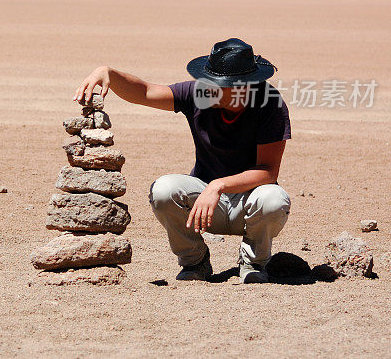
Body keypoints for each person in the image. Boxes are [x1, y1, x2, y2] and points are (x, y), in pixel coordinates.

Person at [73, 38, 291, 284]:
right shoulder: (199, 95)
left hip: (250, 204)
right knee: (165, 190)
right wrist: (108, 72)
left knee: (274, 199)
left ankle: (253, 263)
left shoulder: (269, 102)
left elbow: (268, 172)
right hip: (206, 208)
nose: (210, 88)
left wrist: (218, 185)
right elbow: (145, 92)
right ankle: (195, 262)